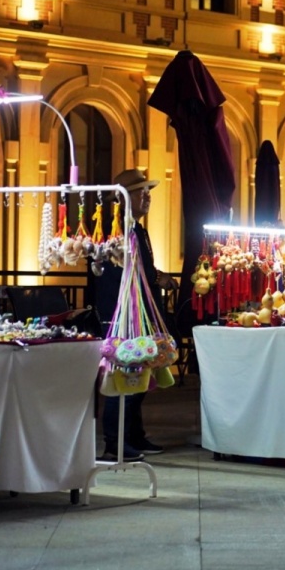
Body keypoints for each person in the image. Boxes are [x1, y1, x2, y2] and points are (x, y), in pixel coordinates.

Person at [93, 168, 178, 462]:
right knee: (123, 373)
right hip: (121, 315)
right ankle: (114, 443)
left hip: (140, 313)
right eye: (141, 191)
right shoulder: (114, 229)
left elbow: (142, 268)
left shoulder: (136, 229)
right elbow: (118, 274)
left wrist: (158, 278)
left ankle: (133, 435)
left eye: (148, 191)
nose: (147, 197)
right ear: (123, 197)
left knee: (141, 372)